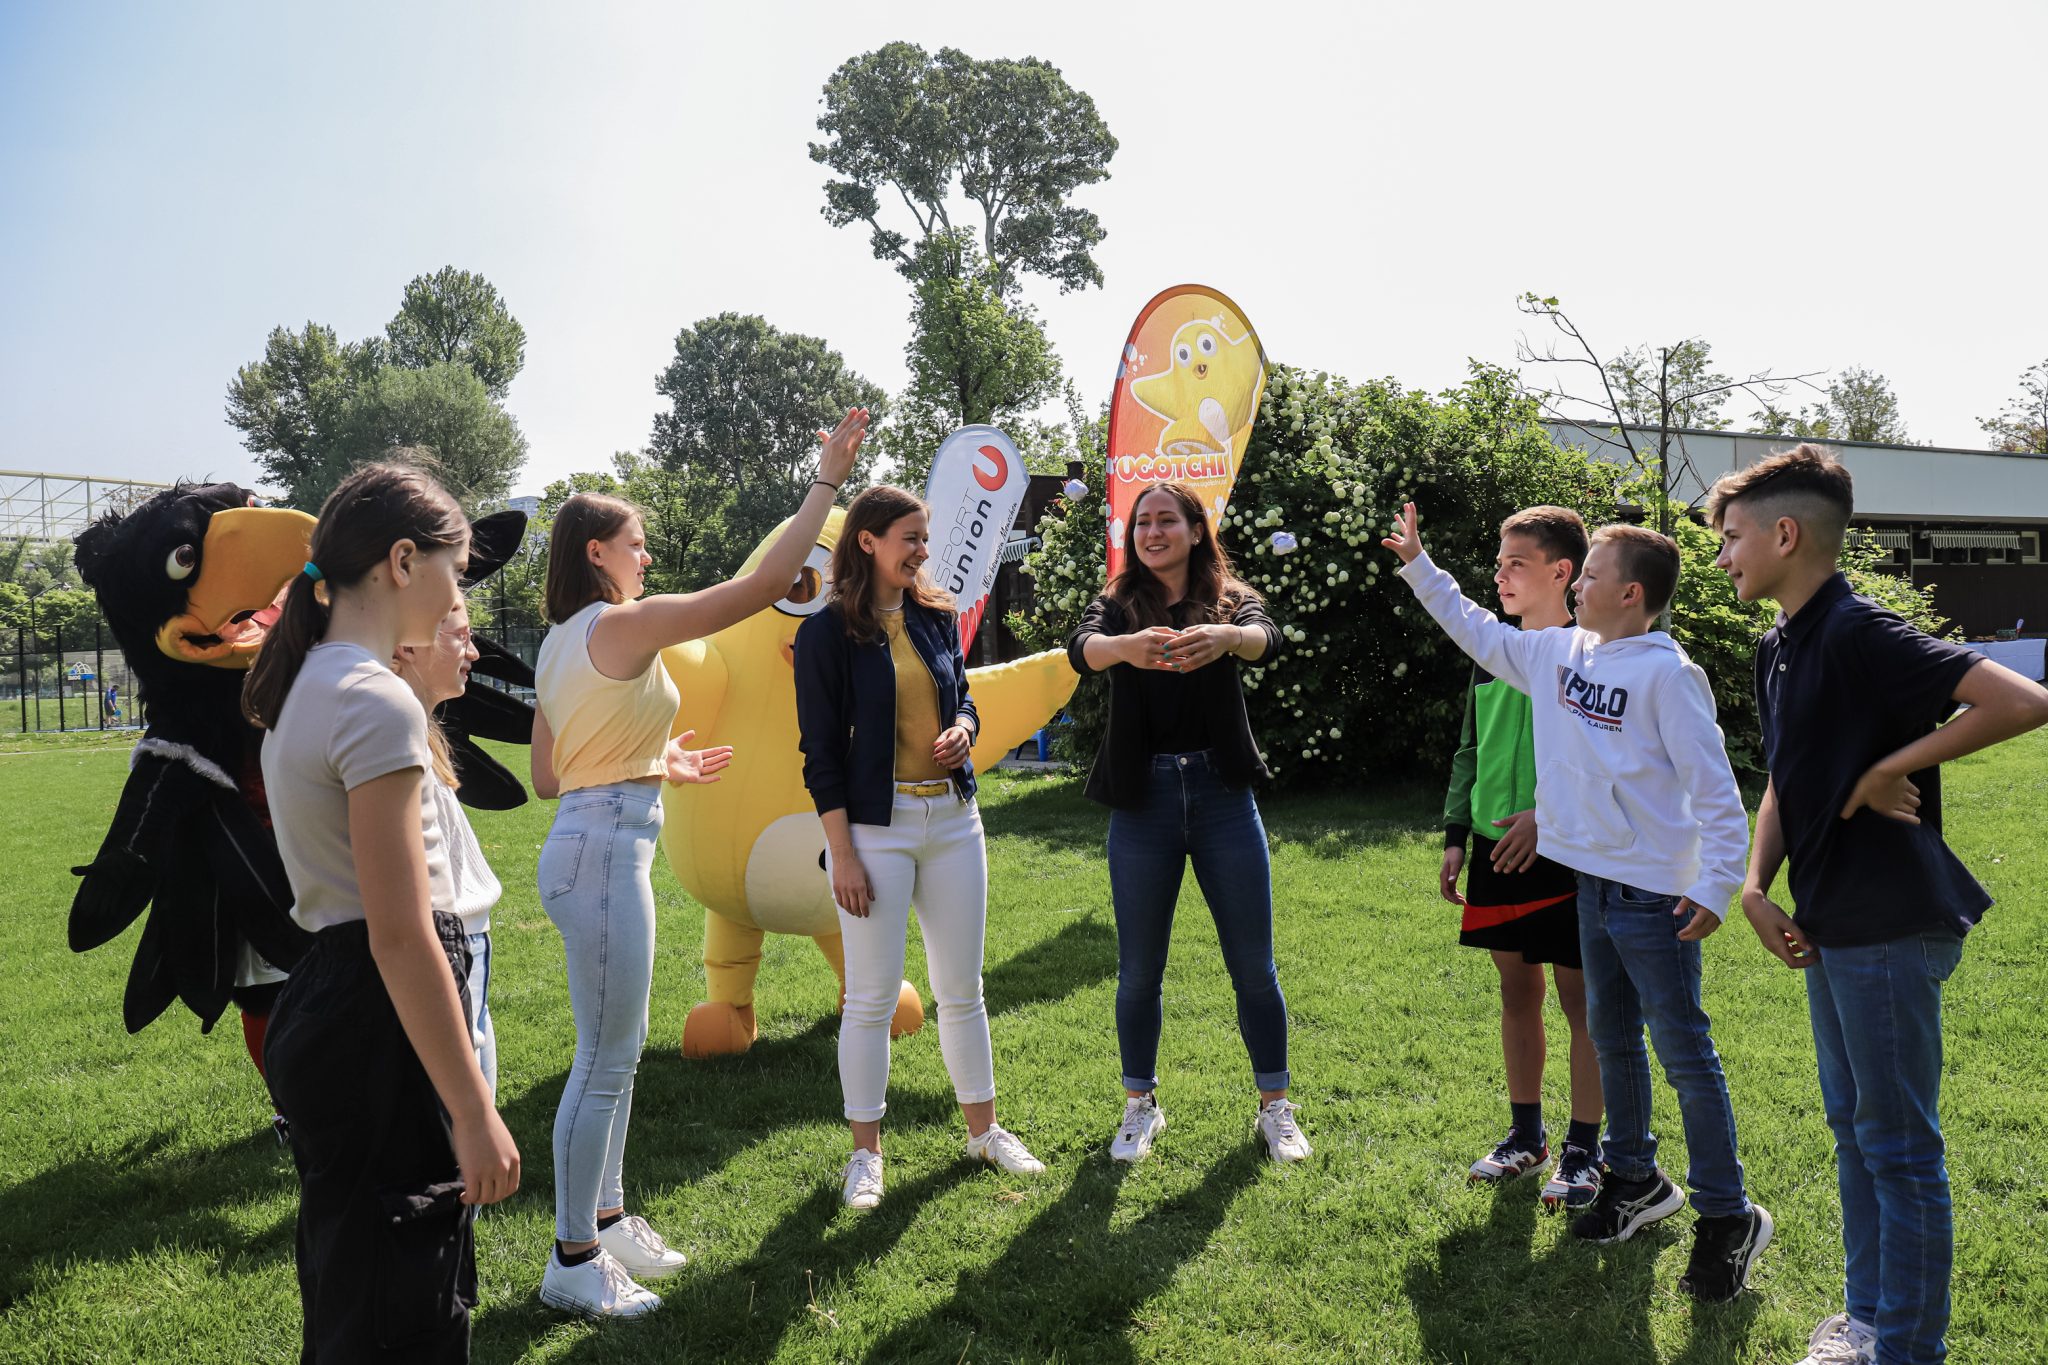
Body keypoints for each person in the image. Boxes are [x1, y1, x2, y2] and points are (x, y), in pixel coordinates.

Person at [1710, 445, 2048, 1364]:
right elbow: (1785, 775)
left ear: (1788, 534)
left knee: (1897, 1150)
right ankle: (1867, 1323)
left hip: (1891, 923)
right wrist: (1753, 887)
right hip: (1827, 921)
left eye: (1733, 537)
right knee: (1855, 1137)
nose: (1723, 556)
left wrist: (1890, 768)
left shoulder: (1860, 628)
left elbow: (2021, 699)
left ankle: (1904, 1347)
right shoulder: (1776, 647)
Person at [1386, 502, 1771, 1301]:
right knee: (1616, 1040)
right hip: (1590, 889)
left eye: (1591, 572)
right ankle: (1634, 1180)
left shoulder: (1669, 674)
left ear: (1630, 594)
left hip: (1658, 900)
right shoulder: (1557, 652)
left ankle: (1728, 1214)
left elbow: (1717, 793)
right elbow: (1475, 629)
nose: (1580, 579)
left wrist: (1712, 886)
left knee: (1685, 1054)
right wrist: (1421, 564)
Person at [529, 408, 865, 1317]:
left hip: (592, 841)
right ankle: (571, 1258)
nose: (646, 556)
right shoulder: (621, 623)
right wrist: (826, 478)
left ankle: (608, 1214)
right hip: (603, 854)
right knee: (604, 1058)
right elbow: (762, 584)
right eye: (635, 544)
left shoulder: (565, 639)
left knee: (618, 1054)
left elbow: (547, 772)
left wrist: (656, 760)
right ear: (598, 552)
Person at [242, 463, 519, 1362]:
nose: (456, 593)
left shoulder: (313, 683)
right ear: (403, 561)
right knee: (408, 1312)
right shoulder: (373, 699)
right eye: (455, 567)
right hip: (374, 1019)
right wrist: (473, 1110)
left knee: (351, 1293)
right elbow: (400, 935)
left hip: (330, 997)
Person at [793, 484, 1046, 1210]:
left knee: (963, 990)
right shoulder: (825, 635)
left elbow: (960, 694)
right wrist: (841, 854)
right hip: (877, 830)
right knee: (870, 998)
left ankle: (984, 1132)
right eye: (911, 536)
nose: (924, 551)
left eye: (926, 537)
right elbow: (819, 757)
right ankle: (865, 1157)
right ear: (868, 540)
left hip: (955, 821)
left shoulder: (936, 614)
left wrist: (965, 726)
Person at [1066, 481, 1310, 1166]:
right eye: (1142, 522)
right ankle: (1140, 1105)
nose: (1152, 531)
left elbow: (1269, 637)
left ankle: (1276, 1108)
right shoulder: (1117, 606)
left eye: (1165, 520)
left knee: (1253, 968)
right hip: (1141, 803)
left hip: (1222, 798)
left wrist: (1229, 635)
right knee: (1138, 971)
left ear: (1195, 530)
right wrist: (1126, 648)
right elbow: (1079, 647)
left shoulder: (1229, 599)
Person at [1438, 507, 1604, 1208]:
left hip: (1562, 848)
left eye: (1515, 564)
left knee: (1583, 1003)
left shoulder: (1591, 654)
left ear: (1561, 572)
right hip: (1491, 848)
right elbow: (1470, 750)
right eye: (1497, 564)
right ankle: (1526, 1135)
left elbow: (1600, 756)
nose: (1499, 575)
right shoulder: (1490, 651)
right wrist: (1455, 831)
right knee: (1516, 992)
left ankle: (1586, 1148)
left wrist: (1546, 817)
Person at [391, 601, 502, 1095]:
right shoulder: (394, 734)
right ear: (406, 646)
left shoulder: (417, 727)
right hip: (449, 950)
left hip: (465, 945)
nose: (474, 652)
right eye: (461, 637)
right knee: (461, 1128)